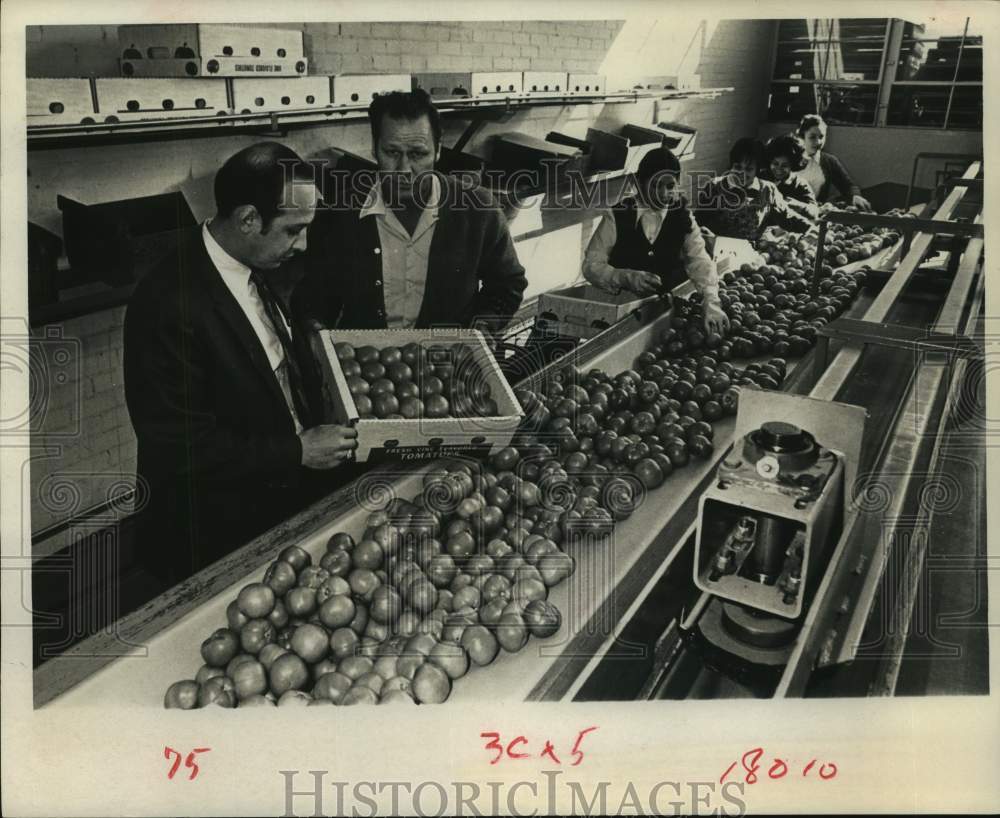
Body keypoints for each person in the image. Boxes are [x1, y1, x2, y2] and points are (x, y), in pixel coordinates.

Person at [123, 142, 359, 584]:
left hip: (276, 499)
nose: (303, 244)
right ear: (249, 219)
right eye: (293, 230)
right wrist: (298, 451)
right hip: (215, 535)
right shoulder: (166, 304)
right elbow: (179, 446)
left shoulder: (246, 264)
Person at [292, 89, 527, 336]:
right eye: (392, 153)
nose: (404, 170)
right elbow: (314, 297)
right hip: (367, 364)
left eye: (418, 154)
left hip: (448, 362)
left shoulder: (479, 209)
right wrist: (315, 332)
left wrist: (483, 327)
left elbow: (508, 284)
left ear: (437, 150)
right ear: (374, 149)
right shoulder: (339, 213)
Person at [583, 146, 728, 336]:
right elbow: (591, 265)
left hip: (663, 313)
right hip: (623, 312)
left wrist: (711, 301)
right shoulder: (617, 215)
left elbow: (698, 260)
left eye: (669, 186)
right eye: (655, 186)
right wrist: (625, 276)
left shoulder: (682, 216)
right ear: (639, 183)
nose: (662, 194)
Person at [696, 137, 812, 244]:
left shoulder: (768, 190)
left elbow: (788, 217)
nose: (742, 173)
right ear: (731, 166)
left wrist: (810, 229)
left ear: (757, 170)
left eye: (749, 169)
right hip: (717, 253)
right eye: (738, 167)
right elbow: (698, 223)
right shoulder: (715, 187)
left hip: (750, 258)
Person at [796, 114, 871, 209]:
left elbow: (848, 186)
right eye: (812, 137)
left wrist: (855, 196)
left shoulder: (829, 161)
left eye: (821, 137)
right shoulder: (790, 158)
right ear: (802, 137)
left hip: (816, 212)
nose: (818, 142)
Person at [761, 134, 819, 221]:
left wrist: (798, 206)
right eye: (775, 164)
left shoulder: (800, 184)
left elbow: (815, 211)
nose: (779, 169)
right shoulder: (760, 177)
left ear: (793, 165)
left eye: (784, 165)